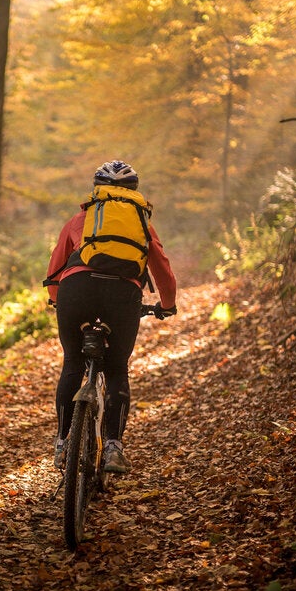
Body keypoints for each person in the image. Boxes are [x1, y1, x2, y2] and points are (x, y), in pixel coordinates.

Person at [46, 160, 177, 473]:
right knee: (116, 367)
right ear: (134, 192)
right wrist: (167, 304)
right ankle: (114, 448)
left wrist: (58, 301)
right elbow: (161, 267)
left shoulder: (80, 220)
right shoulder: (141, 223)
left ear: (97, 189)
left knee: (73, 364)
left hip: (75, 291)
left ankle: (64, 442)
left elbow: (54, 271)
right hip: (122, 295)